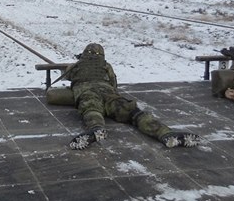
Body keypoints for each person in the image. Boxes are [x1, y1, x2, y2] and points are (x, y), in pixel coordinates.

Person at [55, 43, 201, 150]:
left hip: (87, 91)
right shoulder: (106, 65)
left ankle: (96, 129)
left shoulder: (76, 66)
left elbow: (67, 77)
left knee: (91, 109)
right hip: (108, 92)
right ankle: (165, 133)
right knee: (134, 113)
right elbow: (113, 83)